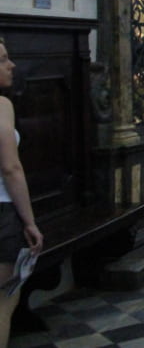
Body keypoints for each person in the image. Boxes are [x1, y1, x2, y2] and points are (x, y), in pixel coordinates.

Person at [0, 38, 44, 346]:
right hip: (2, 212)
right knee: (3, 303)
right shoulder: (1, 106)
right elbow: (11, 169)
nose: (11, 64)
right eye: (3, 59)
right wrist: (29, 222)